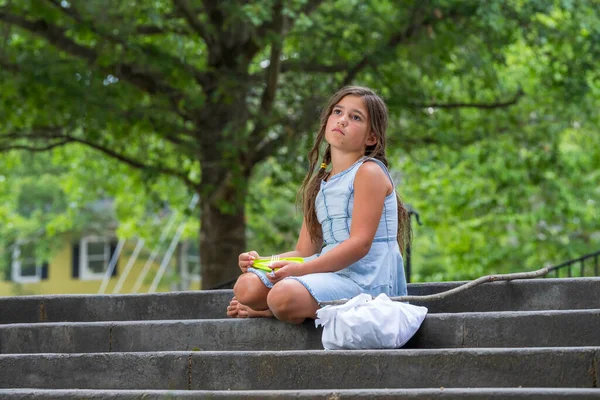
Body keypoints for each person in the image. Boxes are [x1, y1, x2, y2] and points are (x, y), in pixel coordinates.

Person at [227, 86, 411, 323]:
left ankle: (268, 311)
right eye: (337, 112)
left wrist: (301, 270)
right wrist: (263, 261)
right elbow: (304, 252)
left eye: (355, 117)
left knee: (282, 295)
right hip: (330, 273)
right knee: (247, 286)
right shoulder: (320, 183)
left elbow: (359, 245)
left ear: (371, 137)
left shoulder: (369, 172)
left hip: (368, 280)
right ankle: (279, 307)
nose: (342, 120)